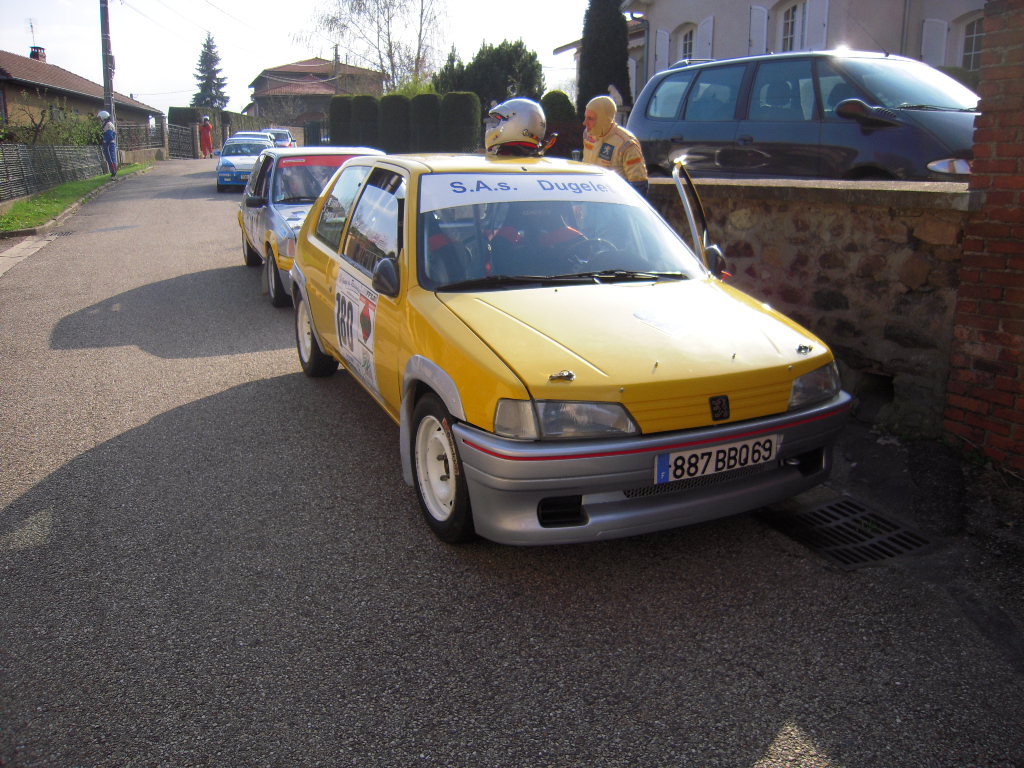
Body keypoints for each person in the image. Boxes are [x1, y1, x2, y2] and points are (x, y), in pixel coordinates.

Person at [582, 95, 648, 196]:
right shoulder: (588, 135)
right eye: (585, 117)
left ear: (603, 119)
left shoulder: (627, 144)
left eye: (590, 118)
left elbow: (639, 185)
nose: (584, 123)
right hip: (591, 201)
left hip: (613, 205)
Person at [97, 109, 117, 178]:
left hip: (109, 145)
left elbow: (110, 135)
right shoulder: (107, 124)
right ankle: (113, 172)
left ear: (103, 117)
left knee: (111, 158)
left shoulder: (108, 125)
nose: (100, 120)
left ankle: (114, 172)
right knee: (109, 158)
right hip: (109, 144)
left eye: (100, 118)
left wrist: (104, 141)